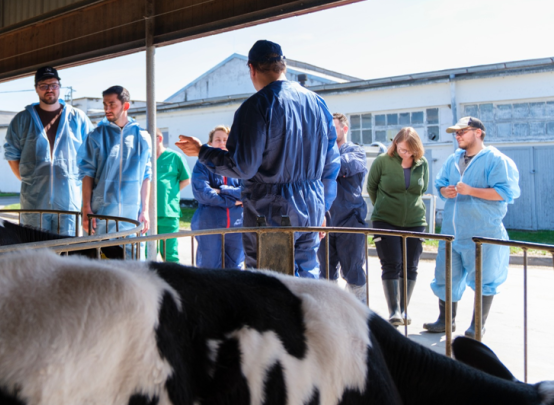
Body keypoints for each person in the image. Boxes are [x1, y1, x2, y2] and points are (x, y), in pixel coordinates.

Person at [176, 40, 340, 277]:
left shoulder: (257, 106)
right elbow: (331, 162)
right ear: (283, 66)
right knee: (306, 280)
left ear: (251, 69)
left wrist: (202, 152)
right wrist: (323, 207)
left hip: (272, 211)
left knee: (271, 284)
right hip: (312, 207)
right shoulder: (317, 103)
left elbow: (242, 166)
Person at [424, 117, 520, 338]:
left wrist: (471, 190)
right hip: (451, 233)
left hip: (483, 232)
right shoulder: (453, 159)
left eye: (462, 131)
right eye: (456, 133)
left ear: (478, 132)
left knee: (484, 279)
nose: (457, 136)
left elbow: (506, 193)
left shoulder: (497, 160)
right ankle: (445, 320)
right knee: (446, 276)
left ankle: (477, 325)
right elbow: (440, 184)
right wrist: (445, 191)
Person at [4, 67, 93, 235]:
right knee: (35, 246)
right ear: (36, 88)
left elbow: (90, 157)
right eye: (44, 85)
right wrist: (31, 180)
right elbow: (11, 154)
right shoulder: (22, 119)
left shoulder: (77, 118)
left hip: (68, 201)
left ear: (59, 86)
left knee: (67, 247)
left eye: (53, 85)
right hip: (34, 202)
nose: (49, 89)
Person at [78, 86, 151, 257]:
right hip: (102, 215)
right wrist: (86, 207)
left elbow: (146, 175)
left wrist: (145, 210)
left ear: (126, 106)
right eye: (105, 104)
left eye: (112, 104)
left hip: (131, 217)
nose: (107, 109)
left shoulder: (142, 137)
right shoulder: (96, 136)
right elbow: (87, 173)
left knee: (132, 267)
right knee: (98, 265)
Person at [366, 127, 429, 326]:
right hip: (385, 219)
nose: (406, 153)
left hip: (415, 221)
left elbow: (422, 189)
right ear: (395, 144)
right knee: (391, 263)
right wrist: (384, 206)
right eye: (402, 149)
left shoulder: (422, 163)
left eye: (410, 151)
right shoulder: (382, 161)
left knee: (411, 266)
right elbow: (371, 187)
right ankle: (394, 311)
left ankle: (404, 309)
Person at [317, 113, 368, 304]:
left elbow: (345, 165)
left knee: (353, 272)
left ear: (344, 129)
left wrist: (324, 161)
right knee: (325, 273)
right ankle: (329, 311)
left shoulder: (356, 151)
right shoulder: (321, 153)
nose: (328, 132)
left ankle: (359, 313)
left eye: (333, 128)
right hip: (325, 221)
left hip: (350, 221)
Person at [191, 125, 245, 269]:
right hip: (209, 223)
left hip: (237, 225)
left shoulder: (241, 165)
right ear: (210, 143)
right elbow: (202, 193)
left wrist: (221, 190)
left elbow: (248, 192)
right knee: (209, 268)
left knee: (235, 268)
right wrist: (233, 201)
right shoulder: (202, 164)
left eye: (225, 140)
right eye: (218, 140)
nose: (222, 143)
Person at [154, 129, 191, 263]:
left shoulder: (175, 157)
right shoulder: (145, 158)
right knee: (146, 252)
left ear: (159, 138)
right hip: (147, 214)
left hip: (168, 212)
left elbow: (186, 179)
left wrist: (171, 193)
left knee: (170, 254)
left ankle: (173, 276)